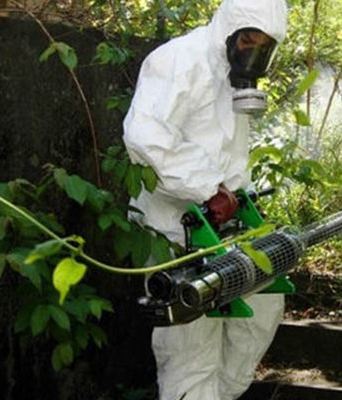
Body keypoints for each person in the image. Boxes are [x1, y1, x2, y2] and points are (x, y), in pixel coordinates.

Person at [122, 1, 288, 399]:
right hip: (174, 231)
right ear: (230, 29)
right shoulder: (180, 61)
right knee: (192, 348)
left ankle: (221, 394)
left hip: (226, 230)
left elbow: (227, 151)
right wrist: (208, 188)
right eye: (247, 40)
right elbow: (145, 140)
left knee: (263, 306)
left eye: (263, 46)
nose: (252, 53)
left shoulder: (234, 77)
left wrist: (239, 196)